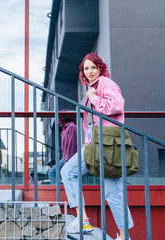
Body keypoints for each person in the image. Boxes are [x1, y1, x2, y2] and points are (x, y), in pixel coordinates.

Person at [60, 53, 134, 239]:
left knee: (113, 191)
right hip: (95, 143)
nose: (90, 71)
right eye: (86, 68)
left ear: (100, 68)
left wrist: (93, 99)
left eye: (93, 67)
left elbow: (117, 105)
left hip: (107, 144)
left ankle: (124, 236)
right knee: (68, 172)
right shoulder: (93, 87)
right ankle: (83, 220)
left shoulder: (105, 84)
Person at [48, 112, 77, 185]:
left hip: (69, 157)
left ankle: (56, 192)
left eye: (59, 119)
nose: (58, 121)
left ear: (63, 119)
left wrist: (67, 159)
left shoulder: (71, 127)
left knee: (52, 172)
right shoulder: (65, 129)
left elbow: (72, 144)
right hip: (65, 157)